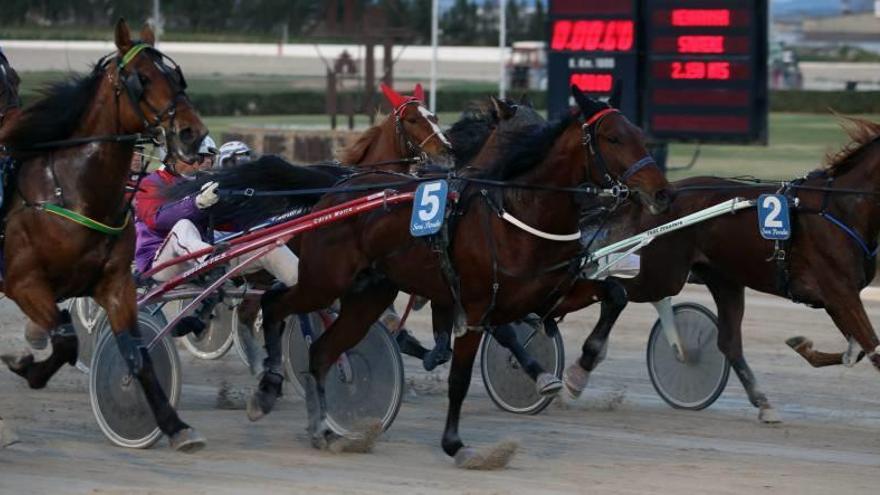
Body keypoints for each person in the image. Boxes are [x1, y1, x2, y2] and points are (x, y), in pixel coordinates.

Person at [133, 137, 298, 361]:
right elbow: (157, 220)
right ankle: (211, 263)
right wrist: (196, 203)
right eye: (198, 158)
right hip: (161, 264)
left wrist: (272, 213)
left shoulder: (202, 183)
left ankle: (307, 283)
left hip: (203, 258)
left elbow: (232, 224)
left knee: (268, 246)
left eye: (208, 158)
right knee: (184, 226)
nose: (204, 164)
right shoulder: (151, 183)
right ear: (172, 157)